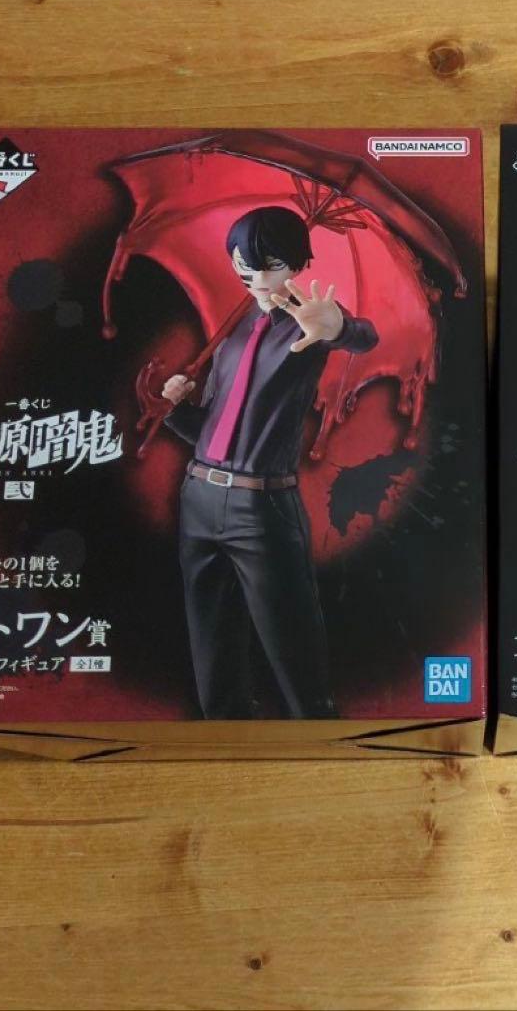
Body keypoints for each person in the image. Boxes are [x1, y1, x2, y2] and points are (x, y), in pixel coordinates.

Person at [161, 206, 378, 718]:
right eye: (244, 265)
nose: (256, 278)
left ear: (298, 264)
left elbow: (362, 335)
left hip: (260, 509)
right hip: (198, 498)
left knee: (295, 657)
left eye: (270, 265)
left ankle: (319, 740)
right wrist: (173, 410)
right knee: (213, 660)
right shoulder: (234, 334)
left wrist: (337, 325)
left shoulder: (307, 323)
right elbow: (214, 433)